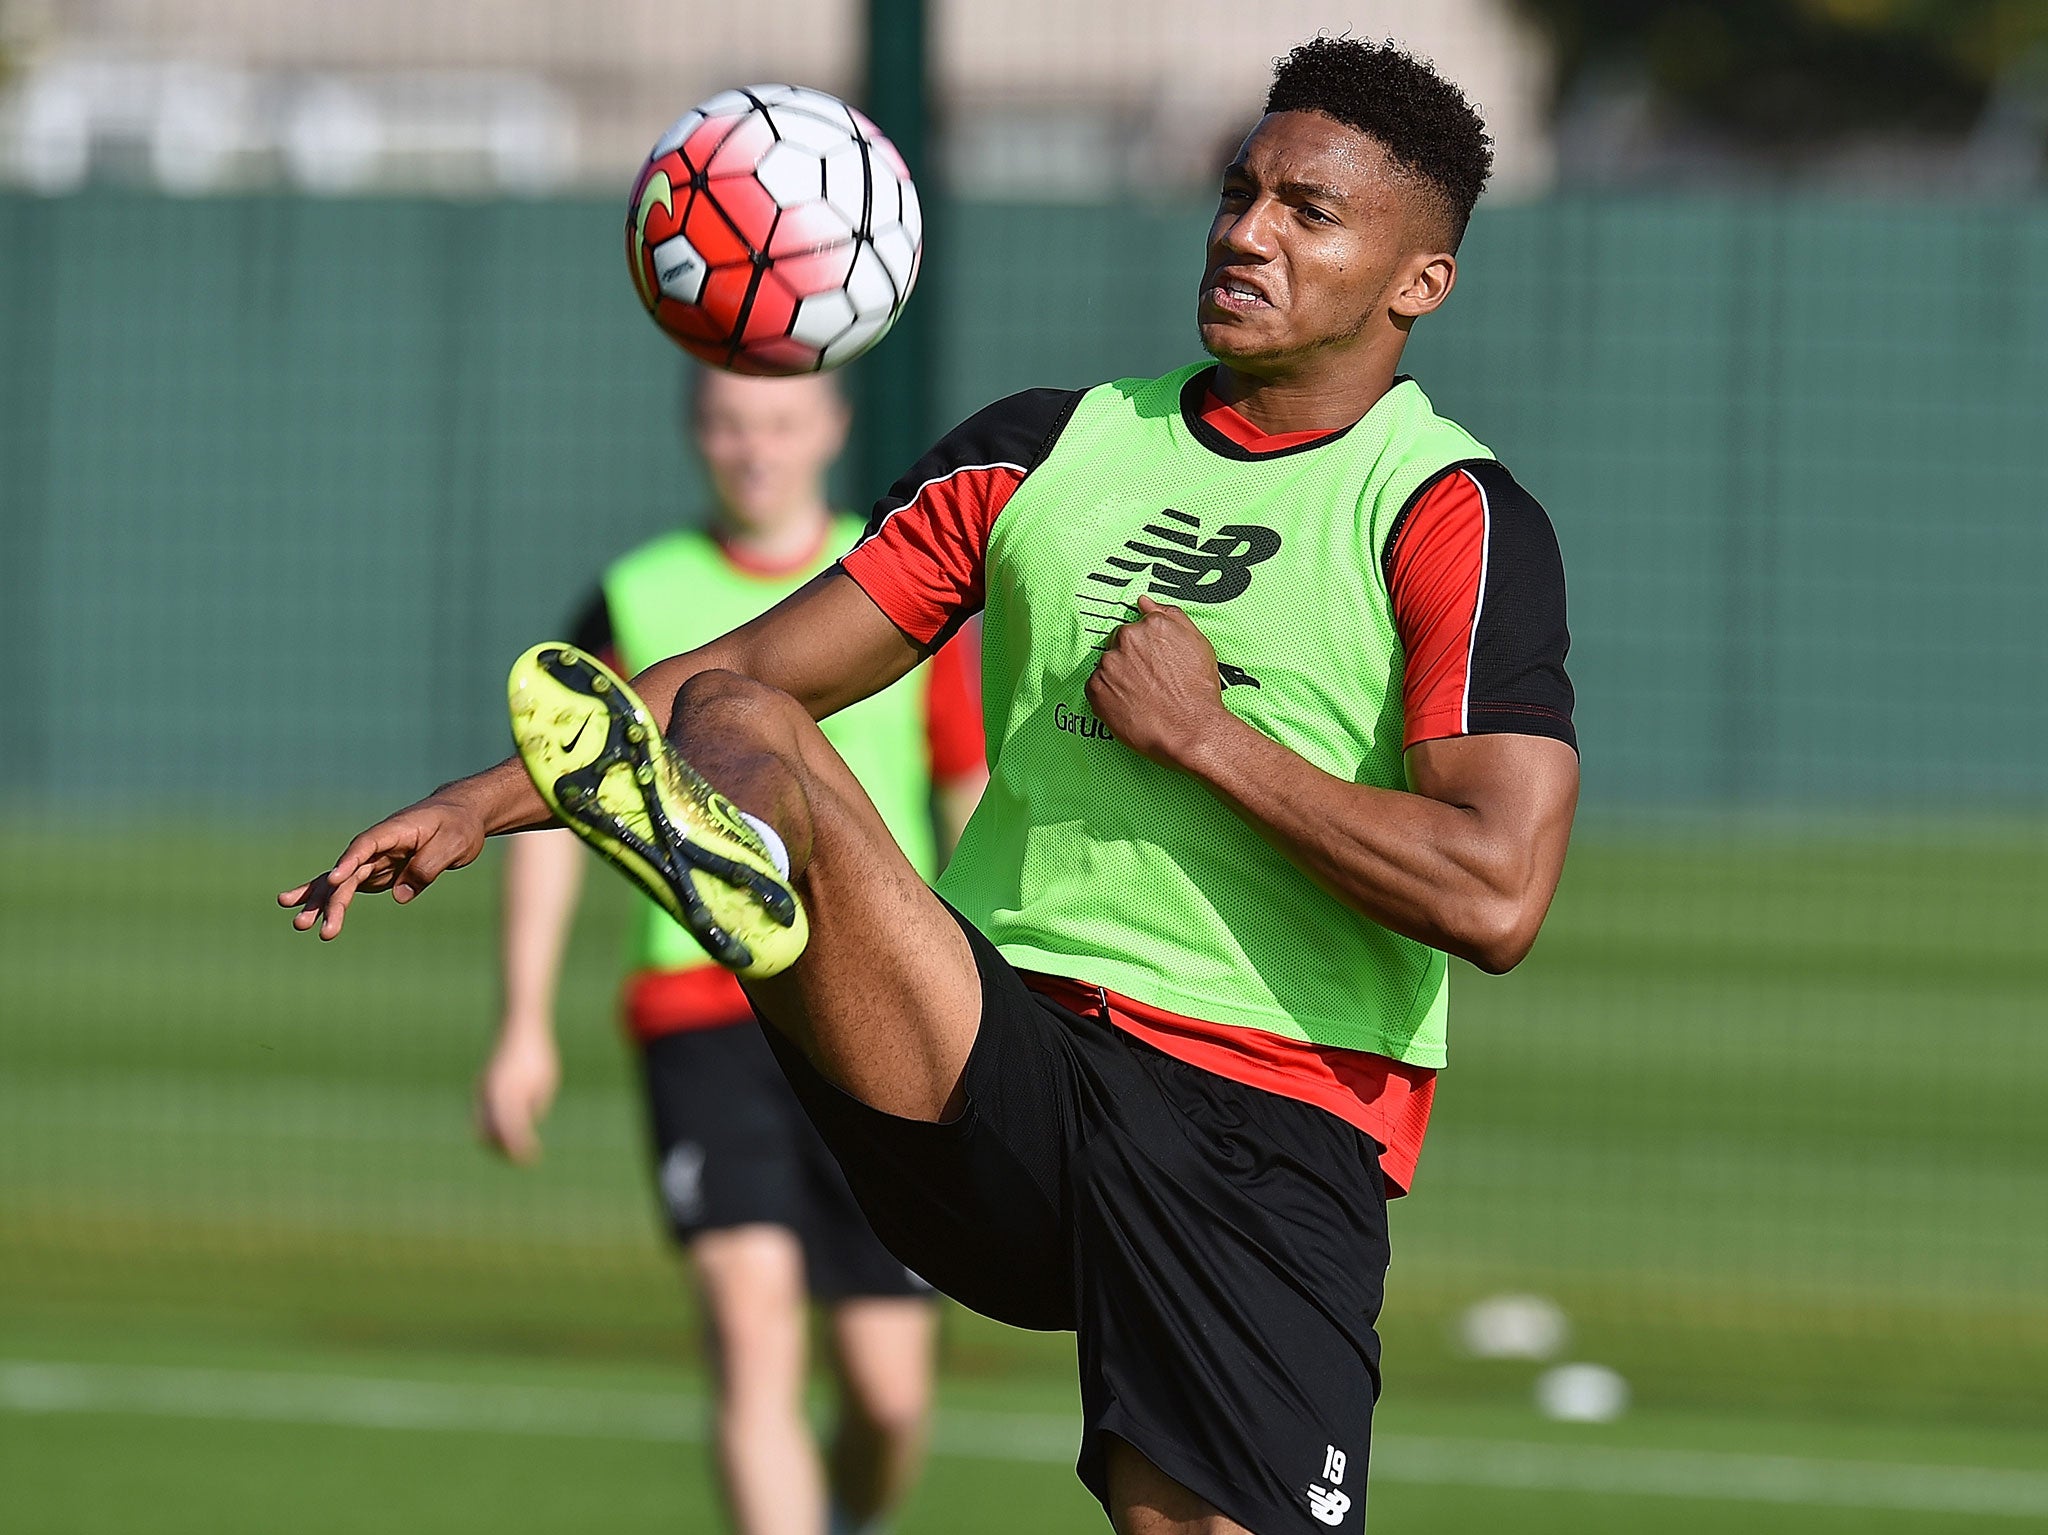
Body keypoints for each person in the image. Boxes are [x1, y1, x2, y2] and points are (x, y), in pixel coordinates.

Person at [285, 38, 1577, 1535]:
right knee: (738, 709)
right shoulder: (1051, 449)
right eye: (1239, 191)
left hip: (1266, 1121)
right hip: (995, 1047)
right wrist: (480, 803)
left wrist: (1209, 740)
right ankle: (748, 886)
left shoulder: (1448, 512)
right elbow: (760, 650)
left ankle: (753, 895)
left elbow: (1496, 888)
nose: (1245, 230)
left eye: (1309, 210)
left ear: (1419, 281)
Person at [480, 368, 986, 1535]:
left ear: (832, 428)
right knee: (752, 1334)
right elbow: (560, 813)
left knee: (889, 1393)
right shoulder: (635, 595)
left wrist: (982, 982)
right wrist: (522, 1023)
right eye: (726, 420)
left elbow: (965, 788)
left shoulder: (898, 577)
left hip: (873, 1002)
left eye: (777, 420)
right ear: (694, 431)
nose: (752, 446)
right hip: (699, 1006)